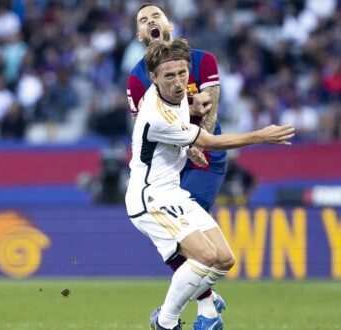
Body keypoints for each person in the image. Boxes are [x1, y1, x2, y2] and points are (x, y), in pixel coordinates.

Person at [125, 39, 293, 330]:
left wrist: (193, 106)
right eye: (169, 76)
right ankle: (165, 322)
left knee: (225, 259)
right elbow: (210, 142)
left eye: (182, 73)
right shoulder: (155, 114)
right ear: (153, 78)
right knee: (205, 257)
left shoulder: (173, 95)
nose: (178, 82)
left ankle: (203, 299)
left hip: (172, 192)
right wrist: (261, 136)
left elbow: (183, 110)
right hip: (149, 198)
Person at [127, 3, 227, 326]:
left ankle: (202, 305)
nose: (151, 21)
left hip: (204, 159)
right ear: (139, 34)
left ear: (168, 22)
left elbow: (210, 106)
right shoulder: (137, 77)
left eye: (155, 15)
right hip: (169, 161)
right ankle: (206, 304)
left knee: (192, 238)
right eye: (143, 20)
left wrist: (201, 143)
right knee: (182, 239)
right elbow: (145, 126)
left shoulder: (201, 59)